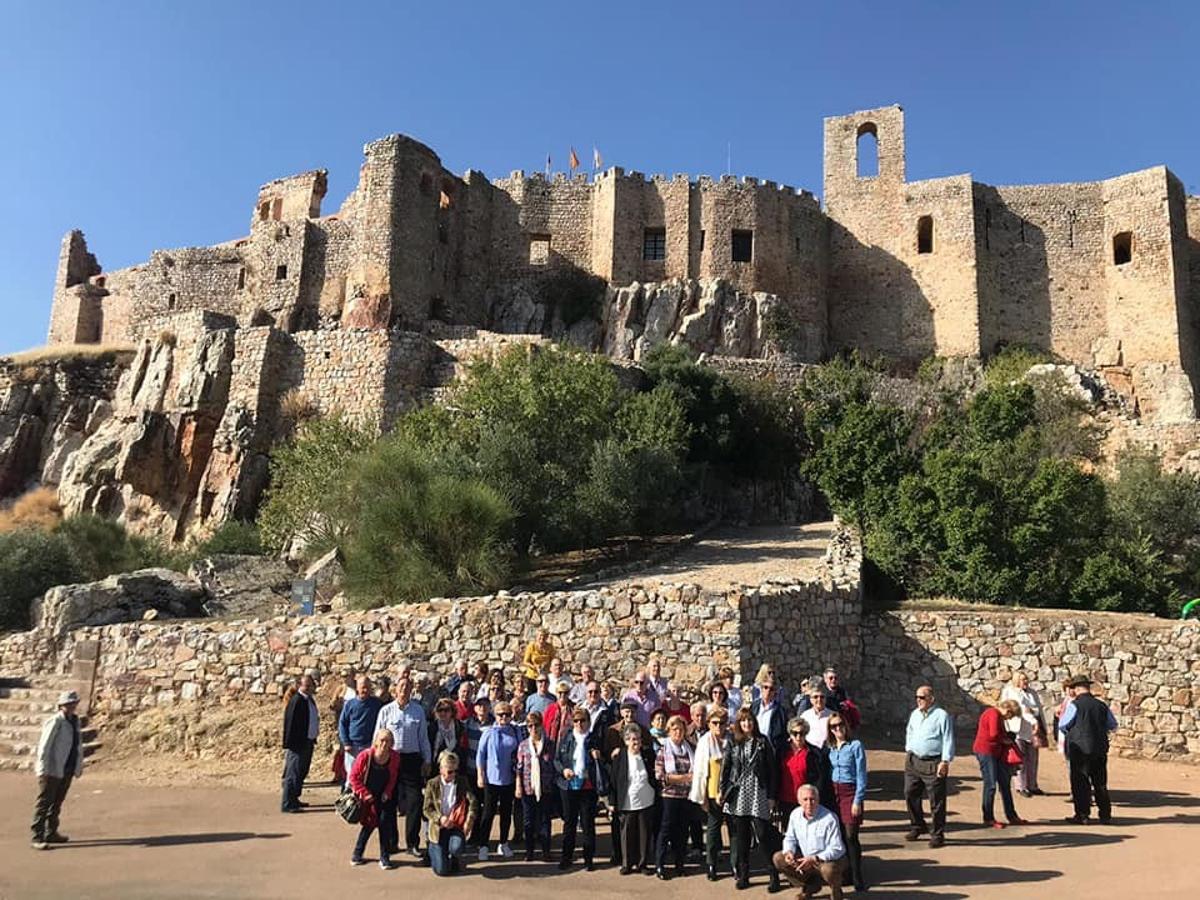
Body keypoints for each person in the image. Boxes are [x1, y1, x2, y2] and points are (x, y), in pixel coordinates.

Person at [719, 708, 781, 892]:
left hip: (757, 792)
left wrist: (771, 796)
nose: (747, 724)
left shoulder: (763, 741)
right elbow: (726, 767)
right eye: (743, 721)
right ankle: (744, 875)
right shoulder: (732, 741)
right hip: (739, 794)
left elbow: (772, 770)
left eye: (750, 720)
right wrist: (722, 790)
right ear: (739, 723)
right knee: (742, 837)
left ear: (754, 722)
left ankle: (774, 874)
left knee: (763, 835)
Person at [375, 679, 432, 859]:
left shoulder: (418, 710)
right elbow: (377, 736)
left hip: (412, 760)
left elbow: (423, 737)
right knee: (389, 802)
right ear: (395, 690)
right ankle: (391, 843)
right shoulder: (386, 711)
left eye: (408, 687)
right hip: (390, 759)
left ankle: (412, 843)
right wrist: (374, 759)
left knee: (415, 802)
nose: (404, 690)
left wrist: (427, 759)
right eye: (401, 687)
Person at [772, 784, 848, 900]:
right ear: (799, 801)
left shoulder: (829, 818)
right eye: (805, 799)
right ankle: (810, 885)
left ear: (818, 800)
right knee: (778, 858)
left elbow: (837, 848)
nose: (809, 803)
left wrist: (815, 858)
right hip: (805, 859)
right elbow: (790, 838)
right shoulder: (795, 815)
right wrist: (789, 852)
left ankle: (836, 890)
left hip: (827, 860)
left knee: (829, 870)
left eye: (812, 799)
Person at [1059, 674, 1118, 825]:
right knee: (1100, 782)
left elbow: (1063, 725)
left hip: (1080, 748)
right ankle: (1105, 815)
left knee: (1080, 782)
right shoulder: (1101, 705)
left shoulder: (1074, 705)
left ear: (1077, 688)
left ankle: (1082, 814)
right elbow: (1112, 724)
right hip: (1099, 747)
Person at [31, 690, 83, 850]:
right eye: (68, 704)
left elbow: (77, 744)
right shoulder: (55, 721)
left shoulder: (75, 721)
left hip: (67, 766)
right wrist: (42, 767)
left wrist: (78, 765)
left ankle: (51, 831)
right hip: (52, 767)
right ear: (61, 705)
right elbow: (44, 746)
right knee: (45, 802)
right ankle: (37, 836)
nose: (71, 706)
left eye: (73, 703)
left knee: (57, 802)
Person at [555, 708, 605, 870]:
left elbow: (603, 761)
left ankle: (588, 859)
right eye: (576, 721)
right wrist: (564, 770)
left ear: (588, 722)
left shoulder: (594, 739)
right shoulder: (566, 737)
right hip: (568, 786)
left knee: (588, 824)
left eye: (582, 720)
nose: (579, 724)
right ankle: (566, 857)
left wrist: (598, 757)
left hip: (587, 786)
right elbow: (557, 760)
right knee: (569, 823)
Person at [904, 685, 954, 848]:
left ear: (931, 699)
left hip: (933, 762)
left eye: (922, 697)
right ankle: (917, 825)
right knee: (910, 793)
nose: (919, 700)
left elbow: (948, 739)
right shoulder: (915, 714)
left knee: (936, 800)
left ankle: (937, 834)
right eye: (917, 697)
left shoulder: (941, 715)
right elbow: (909, 731)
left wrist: (945, 761)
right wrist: (909, 749)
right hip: (914, 760)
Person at [825, 711, 868, 893]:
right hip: (834, 792)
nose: (838, 729)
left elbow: (861, 775)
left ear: (846, 725)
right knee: (839, 835)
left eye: (840, 725)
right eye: (833, 726)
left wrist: (858, 800)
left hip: (850, 791)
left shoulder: (855, 746)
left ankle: (858, 876)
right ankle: (846, 874)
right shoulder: (831, 748)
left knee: (851, 836)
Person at [609, 722, 660, 874]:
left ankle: (642, 863)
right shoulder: (620, 757)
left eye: (637, 739)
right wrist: (612, 802)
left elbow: (654, 773)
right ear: (626, 741)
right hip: (627, 800)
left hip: (646, 799)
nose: (635, 742)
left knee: (644, 833)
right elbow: (613, 781)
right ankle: (627, 863)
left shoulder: (647, 754)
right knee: (627, 834)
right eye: (632, 739)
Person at [348, 729, 401, 869]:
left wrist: (388, 792)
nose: (384, 743)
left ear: (392, 743)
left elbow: (393, 776)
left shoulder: (394, 757)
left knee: (385, 825)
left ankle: (385, 857)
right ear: (376, 741)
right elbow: (353, 778)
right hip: (368, 797)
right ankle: (357, 854)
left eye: (388, 740)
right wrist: (365, 793)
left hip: (383, 796)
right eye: (382, 740)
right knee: (369, 825)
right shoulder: (365, 756)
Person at [475, 699, 520, 860]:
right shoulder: (488, 732)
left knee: (507, 814)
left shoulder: (515, 731)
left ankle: (503, 843)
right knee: (487, 814)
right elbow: (480, 755)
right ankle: (483, 845)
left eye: (507, 715)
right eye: (501, 715)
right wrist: (480, 776)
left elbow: (519, 753)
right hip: (491, 779)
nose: (504, 718)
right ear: (495, 715)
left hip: (509, 779)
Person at [423, 750, 479, 876]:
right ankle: (432, 848)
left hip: (455, 826)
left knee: (457, 848)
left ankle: (454, 857)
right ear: (441, 769)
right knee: (442, 871)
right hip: (439, 828)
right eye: (449, 771)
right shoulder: (432, 784)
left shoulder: (462, 782)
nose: (452, 774)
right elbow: (426, 809)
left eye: (455, 771)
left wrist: (469, 820)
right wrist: (440, 818)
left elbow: (473, 802)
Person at [690, 707, 730, 881]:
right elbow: (700, 771)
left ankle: (737, 864)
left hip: (730, 792)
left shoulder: (731, 740)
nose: (718, 726)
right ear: (709, 724)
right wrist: (702, 797)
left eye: (722, 723)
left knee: (733, 829)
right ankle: (712, 863)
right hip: (713, 792)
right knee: (713, 828)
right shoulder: (705, 742)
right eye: (714, 723)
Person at [654, 714, 695, 879]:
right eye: (674, 729)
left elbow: (696, 772)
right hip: (669, 797)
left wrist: (681, 779)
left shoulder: (690, 748)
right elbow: (660, 775)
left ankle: (680, 864)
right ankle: (660, 865)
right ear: (669, 731)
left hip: (686, 796)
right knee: (666, 830)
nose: (678, 732)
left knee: (683, 831)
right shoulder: (664, 749)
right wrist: (684, 778)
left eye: (681, 729)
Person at [973, 699, 1025, 828]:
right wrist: (1006, 740)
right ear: (1008, 710)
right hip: (986, 751)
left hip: (994, 752)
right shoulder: (993, 713)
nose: (1009, 718)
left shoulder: (995, 715)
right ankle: (989, 817)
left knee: (1004, 784)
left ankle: (1011, 815)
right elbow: (994, 734)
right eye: (1011, 715)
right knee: (990, 785)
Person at [514, 710, 557, 861]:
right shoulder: (523, 746)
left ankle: (546, 851)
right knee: (528, 821)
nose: (533, 728)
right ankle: (529, 852)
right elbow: (519, 767)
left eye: (536, 725)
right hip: (527, 788)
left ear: (541, 725)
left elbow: (554, 765)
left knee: (545, 820)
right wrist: (518, 786)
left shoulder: (550, 744)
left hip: (545, 788)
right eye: (529, 725)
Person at [1002, 671, 1047, 797]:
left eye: (1026, 679)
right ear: (1016, 680)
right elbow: (1017, 709)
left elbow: (1038, 709)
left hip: (1032, 729)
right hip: (1018, 729)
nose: (1026, 681)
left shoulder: (1032, 693)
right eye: (1023, 679)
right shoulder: (1010, 691)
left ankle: (1032, 785)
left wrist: (1039, 722)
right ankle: (1021, 786)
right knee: (1019, 758)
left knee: (1033, 758)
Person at [281, 674, 320, 813]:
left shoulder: (309, 700)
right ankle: (287, 803)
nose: (309, 688)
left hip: (308, 741)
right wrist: (290, 744)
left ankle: (294, 799)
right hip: (297, 744)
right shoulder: (296, 700)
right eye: (306, 685)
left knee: (301, 772)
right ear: (299, 686)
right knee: (293, 773)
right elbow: (290, 724)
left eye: (311, 685)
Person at [339, 675, 382, 788]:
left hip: (369, 746)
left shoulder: (376, 704)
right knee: (351, 776)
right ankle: (349, 802)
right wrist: (346, 743)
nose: (365, 690)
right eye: (363, 687)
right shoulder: (349, 704)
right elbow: (343, 723)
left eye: (368, 687)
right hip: (353, 747)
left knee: (367, 776)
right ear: (357, 688)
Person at [778, 717, 821, 824]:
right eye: (794, 733)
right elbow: (775, 775)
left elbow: (818, 779)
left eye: (801, 733)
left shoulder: (813, 753)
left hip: (805, 801)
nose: (798, 736)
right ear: (790, 733)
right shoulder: (781, 751)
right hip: (785, 800)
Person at [462, 696, 492, 846]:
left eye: (485, 706)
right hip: (471, 769)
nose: (482, 708)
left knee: (486, 806)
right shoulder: (468, 724)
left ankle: (482, 837)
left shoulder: (494, 725)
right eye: (479, 706)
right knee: (473, 804)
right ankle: (473, 835)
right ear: (475, 708)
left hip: (488, 772)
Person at [752, 677, 789, 757]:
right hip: (754, 750)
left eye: (771, 689)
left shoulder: (780, 711)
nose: (768, 691)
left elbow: (784, 734)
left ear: (775, 692)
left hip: (772, 752)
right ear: (761, 689)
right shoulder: (754, 707)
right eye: (765, 687)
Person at [521, 630, 556, 694]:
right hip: (532, 676)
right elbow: (525, 661)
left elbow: (553, 660)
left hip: (544, 675)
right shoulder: (531, 646)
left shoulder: (550, 647)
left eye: (544, 636)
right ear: (537, 637)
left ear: (547, 637)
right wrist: (535, 667)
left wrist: (546, 665)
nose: (542, 637)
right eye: (540, 635)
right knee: (532, 694)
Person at [801, 686, 833, 750]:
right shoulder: (805, 716)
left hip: (829, 751)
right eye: (815, 697)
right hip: (811, 752)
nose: (819, 700)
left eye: (822, 697)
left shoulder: (832, 715)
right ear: (811, 700)